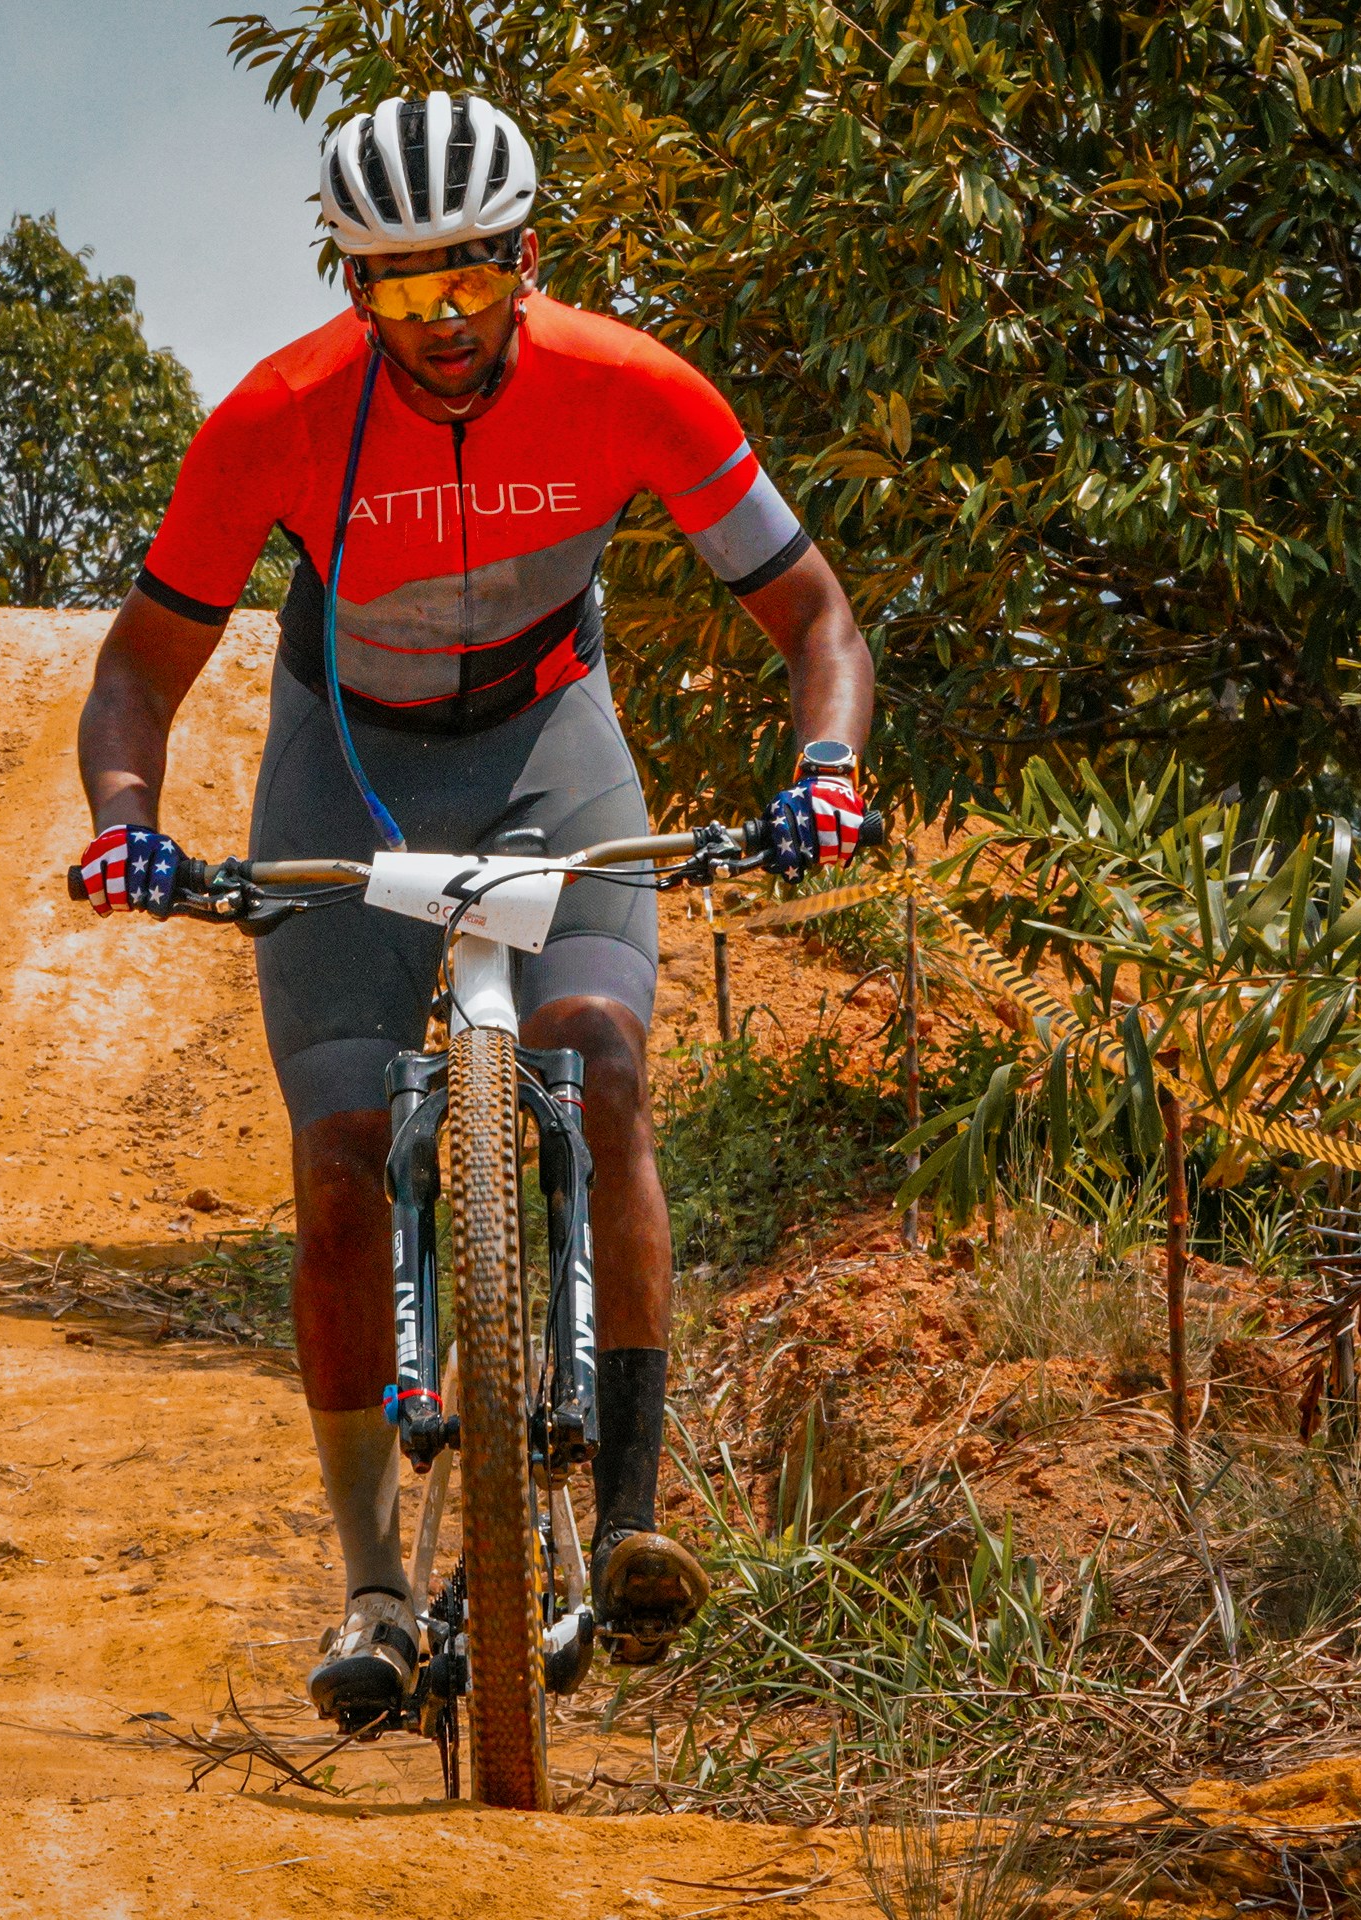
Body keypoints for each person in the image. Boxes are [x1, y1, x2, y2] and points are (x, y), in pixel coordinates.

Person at [73, 92, 875, 1735]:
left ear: (529, 259)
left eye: (475, 281)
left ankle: (639, 1512)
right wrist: (127, 829)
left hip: (546, 740)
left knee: (604, 1051)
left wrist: (830, 770)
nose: (443, 326)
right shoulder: (276, 420)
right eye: (398, 289)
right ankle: (372, 1583)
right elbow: (142, 669)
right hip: (345, 758)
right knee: (343, 1149)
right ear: (346, 283)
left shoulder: (629, 386)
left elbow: (814, 614)